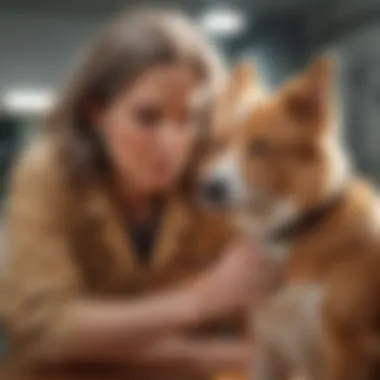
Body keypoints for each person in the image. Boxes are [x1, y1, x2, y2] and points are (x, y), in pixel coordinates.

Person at [1, 10, 270, 380]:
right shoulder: (48, 174)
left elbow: (262, 324)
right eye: (147, 118)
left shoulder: (210, 181)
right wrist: (199, 302)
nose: (171, 144)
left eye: (186, 119)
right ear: (96, 113)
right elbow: (44, 329)